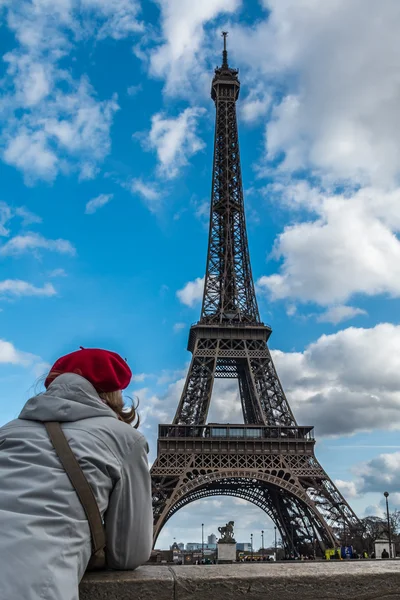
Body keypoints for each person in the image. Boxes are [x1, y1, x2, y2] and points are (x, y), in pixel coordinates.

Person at [0, 348, 153, 600]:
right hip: (32, 586)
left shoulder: (7, 431)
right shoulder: (125, 439)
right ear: (114, 392)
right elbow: (129, 555)